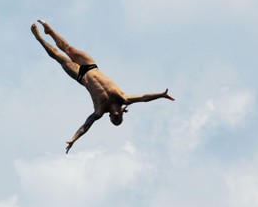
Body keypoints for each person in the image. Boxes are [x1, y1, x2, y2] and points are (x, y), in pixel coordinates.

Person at [31, 20, 174, 153]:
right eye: (118, 120)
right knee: (68, 48)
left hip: (80, 76)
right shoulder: (123, 99)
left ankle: (39, 38)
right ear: (121, 114)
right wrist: (161, 95)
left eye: (114, 121)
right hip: (90, 66)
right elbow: (144, 98)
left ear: (110, 117)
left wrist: (74, 139)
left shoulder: (100, 110)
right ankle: (50, 31)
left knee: (58, 56)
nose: (116, 119)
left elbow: (86, 126)